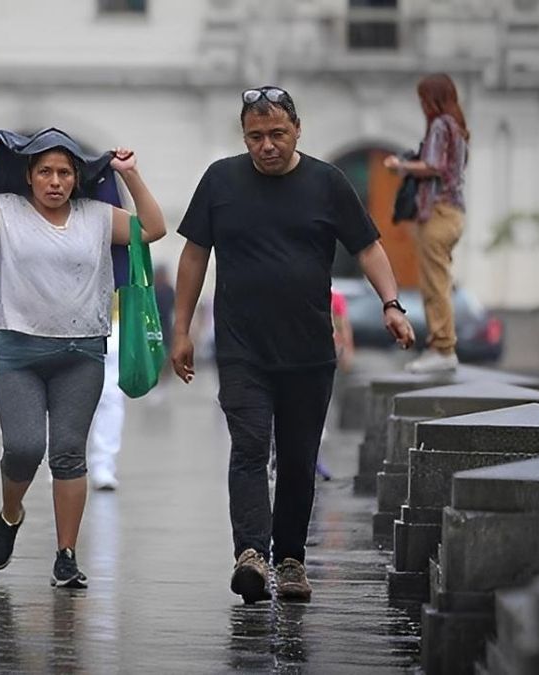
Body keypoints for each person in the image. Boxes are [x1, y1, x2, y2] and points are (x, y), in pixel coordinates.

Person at [170, 85, 414, 604]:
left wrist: (391, 304)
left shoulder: (327, 183)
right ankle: (251, 556)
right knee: (251, 447)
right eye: (255, 136)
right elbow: (194, 255)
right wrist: (182, 329)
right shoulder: (221, 180)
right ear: (244, 137)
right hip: (241, 348)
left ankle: (291, 560)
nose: (266, 145)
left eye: (277, 133)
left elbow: (367, 248)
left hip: (308, 352)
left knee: (300, 459)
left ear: (297, 130)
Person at [0, 129, 166, 589]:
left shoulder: (98, 216)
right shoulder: (6, 210)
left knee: (69, 454)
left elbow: (152, 228)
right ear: (29, 176)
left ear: (77, 178)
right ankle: (11, 515)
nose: (55, 181)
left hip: (81, 350)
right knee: (24, 448)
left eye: (64, 172)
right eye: (45, 171)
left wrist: (131, 175)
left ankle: (66, 555)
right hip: (17, 349)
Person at [384, 73, 469, 374]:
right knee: (440, 281)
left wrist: (401, 166)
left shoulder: (439, 125)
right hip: (454, 214)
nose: (421, 105)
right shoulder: (457, 128)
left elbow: (433, 166)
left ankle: (442, 348)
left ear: (433, 99)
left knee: (435, 283)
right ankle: (441, 346)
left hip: (438, 213)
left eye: (423, 99)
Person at [87, 299, 124, 491]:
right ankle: (62, 461)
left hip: (112, 319)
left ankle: (104, 464)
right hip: (67, 315)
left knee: (110, 396)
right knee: (64, 392)